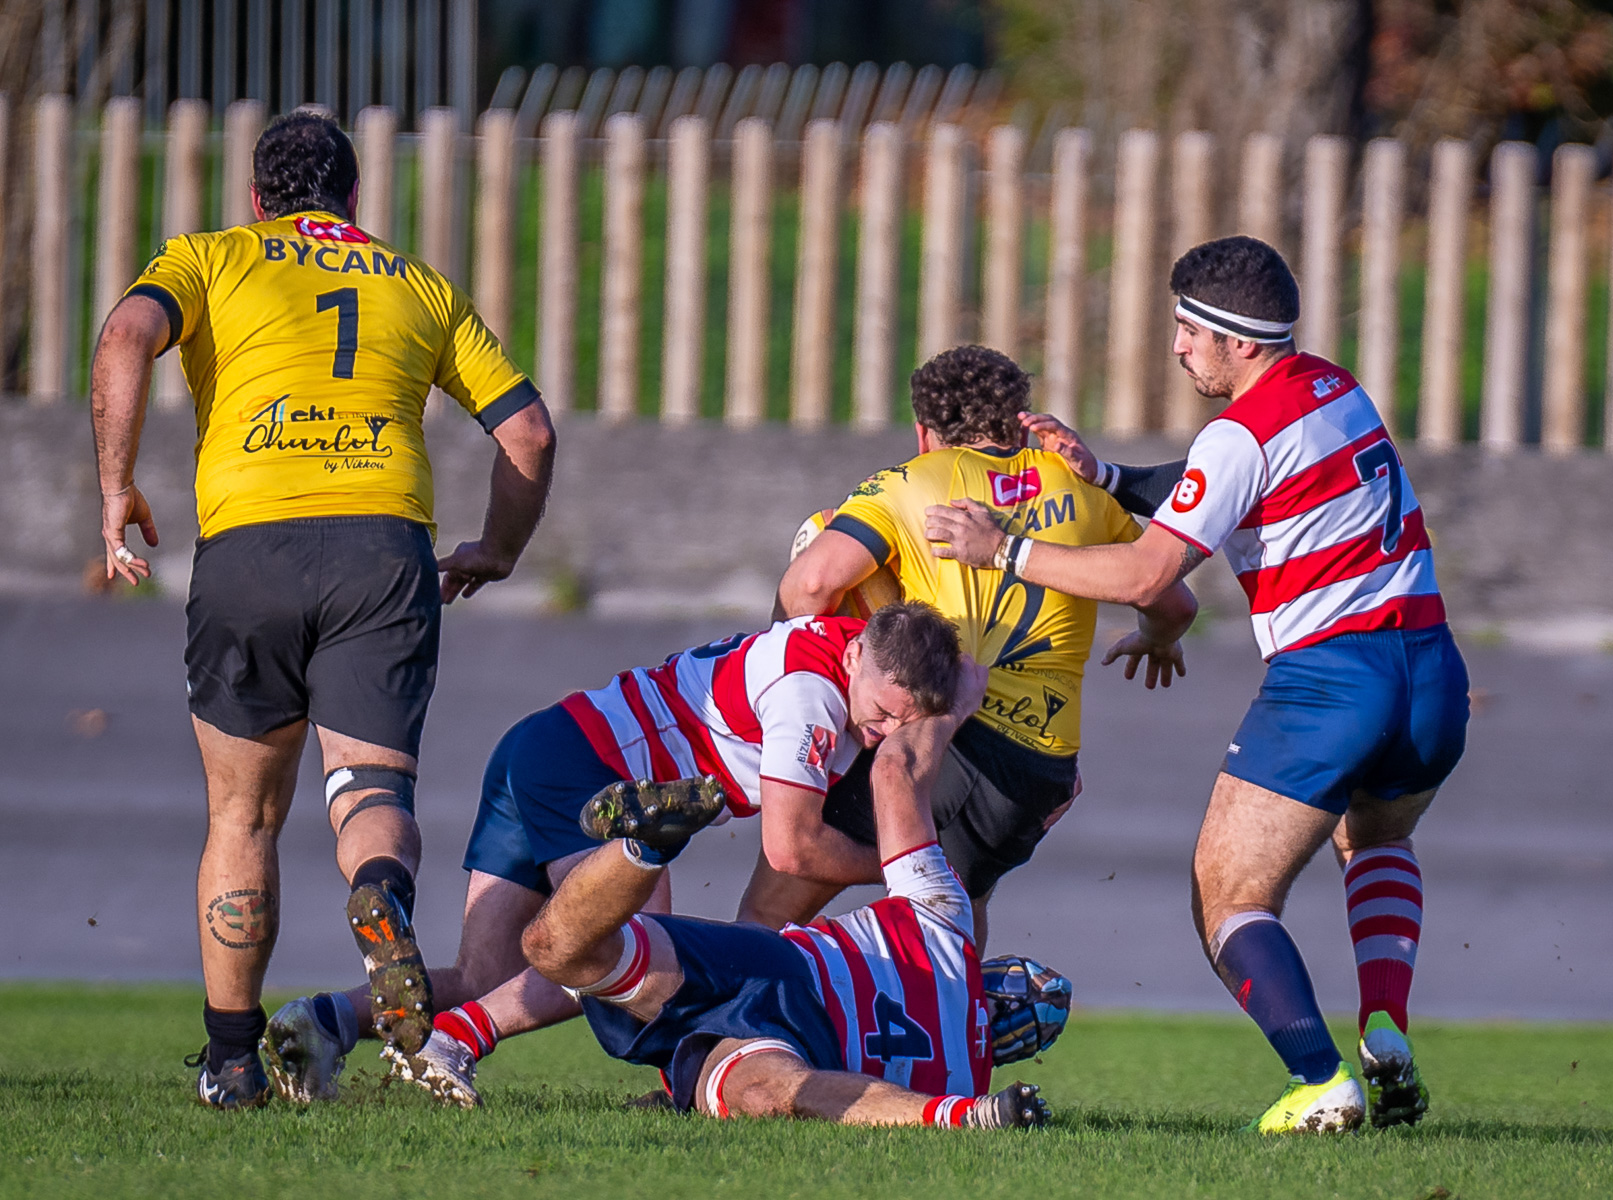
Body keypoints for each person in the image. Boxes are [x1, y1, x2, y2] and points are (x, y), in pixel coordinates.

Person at [924, 236, 1468, 1133]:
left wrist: (1005, 548)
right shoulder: (1337, 389)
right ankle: (1386, 1027)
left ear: (1236, 342)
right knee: (1372, 841)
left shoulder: (1238, 433)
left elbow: (1148, 575)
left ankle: (1321, 1079)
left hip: (1333, 683)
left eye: (1188, 329)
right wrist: (1104, 477)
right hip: (1434, 677)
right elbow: (1212, 488)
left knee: (1228, 896)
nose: (1177, 346)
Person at [89, 110, 556, 1109]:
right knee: (371, 793)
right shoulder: (418, 283)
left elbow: (127, 332)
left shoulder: (210, 258)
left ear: (259, 199)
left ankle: (228, 1063)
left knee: (242, 813)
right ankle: (380, 899)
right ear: (353, 200)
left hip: (250, 548)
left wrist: (115, 488)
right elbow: (529, 429)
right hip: (382, 548)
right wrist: (497, 550)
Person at [265, 602, 968, 1107]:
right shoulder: (812, 696)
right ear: (854, 660)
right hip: (592, 772)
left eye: (900, 723)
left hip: (542, 744)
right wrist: (912, 870)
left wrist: (946, 696)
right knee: (617, 949)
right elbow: (791, 848)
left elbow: (943, 665)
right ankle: (453, 1041)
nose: (880, 735)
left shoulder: (857, 642)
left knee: (486, 972)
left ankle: (321, 1021)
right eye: (879, 715)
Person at [754, 345, 1198, 945]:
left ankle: (726, 1037)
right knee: (956, 925)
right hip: (1040, 771)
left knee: (767, 913)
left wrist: (803, 682)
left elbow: (812, 583)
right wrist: (1156, 638)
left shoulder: (909, 484)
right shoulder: (1085, 488)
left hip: (942, 743)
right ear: (1020, 417)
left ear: (924, 430)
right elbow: (1174, 603)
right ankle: (963, 1031)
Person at [520, 657, 1062, 1129]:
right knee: (767, 1091)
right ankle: (961, 1122)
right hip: (791, 993)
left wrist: (953, 708)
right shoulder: (966, 1074)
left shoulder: (950, 921)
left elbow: (895, 770)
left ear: (998, 972)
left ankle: (646, 851)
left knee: (558, 949)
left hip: (774, 971)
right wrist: (965, 1105)